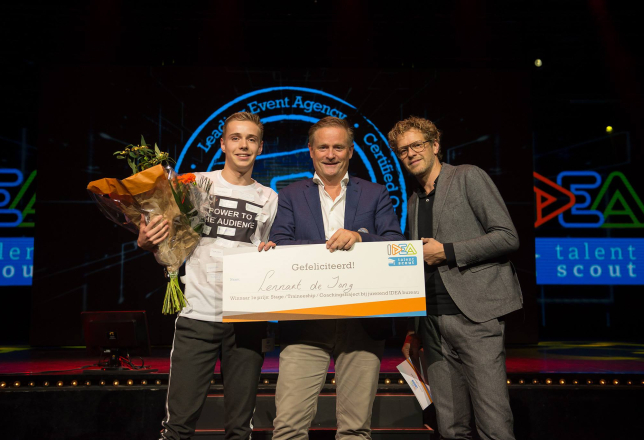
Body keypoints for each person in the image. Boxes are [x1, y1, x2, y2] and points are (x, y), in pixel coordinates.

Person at [138, 112, 278, 440]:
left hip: (246, 320)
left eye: (251, 139)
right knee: (177, 427)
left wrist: (272, 252)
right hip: (197, 315)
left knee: (239, 429)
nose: (243, 145)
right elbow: (165, 238)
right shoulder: (195, 184)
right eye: (235, 138)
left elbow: (271, 250)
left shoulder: (270, 198)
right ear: (223, 144)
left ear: (260, 147)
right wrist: (146, 241)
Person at [269, 116, 405, 439]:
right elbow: (280, 243)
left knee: (355, 430)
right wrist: (327, 248)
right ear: (311, 150)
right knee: (287, 428)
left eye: (339, 147)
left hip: (362, 324)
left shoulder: (375, 193)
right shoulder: (290, 195)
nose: (331, 154)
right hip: (305, 323)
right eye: (323, 147)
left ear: (351, 151)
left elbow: (396, 243)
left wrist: (359, 238)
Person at [388, 116, 522, 440]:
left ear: (435, 145)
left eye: (417, 145)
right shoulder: (413, 201)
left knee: (494, 426)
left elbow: (507, 236)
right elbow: (418, 269)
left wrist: (447, 251)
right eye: (403, 150)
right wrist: (414, 328)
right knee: (450, 429)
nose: (410, 153)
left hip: (475, 317)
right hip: (432, 325)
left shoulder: (467, 176)